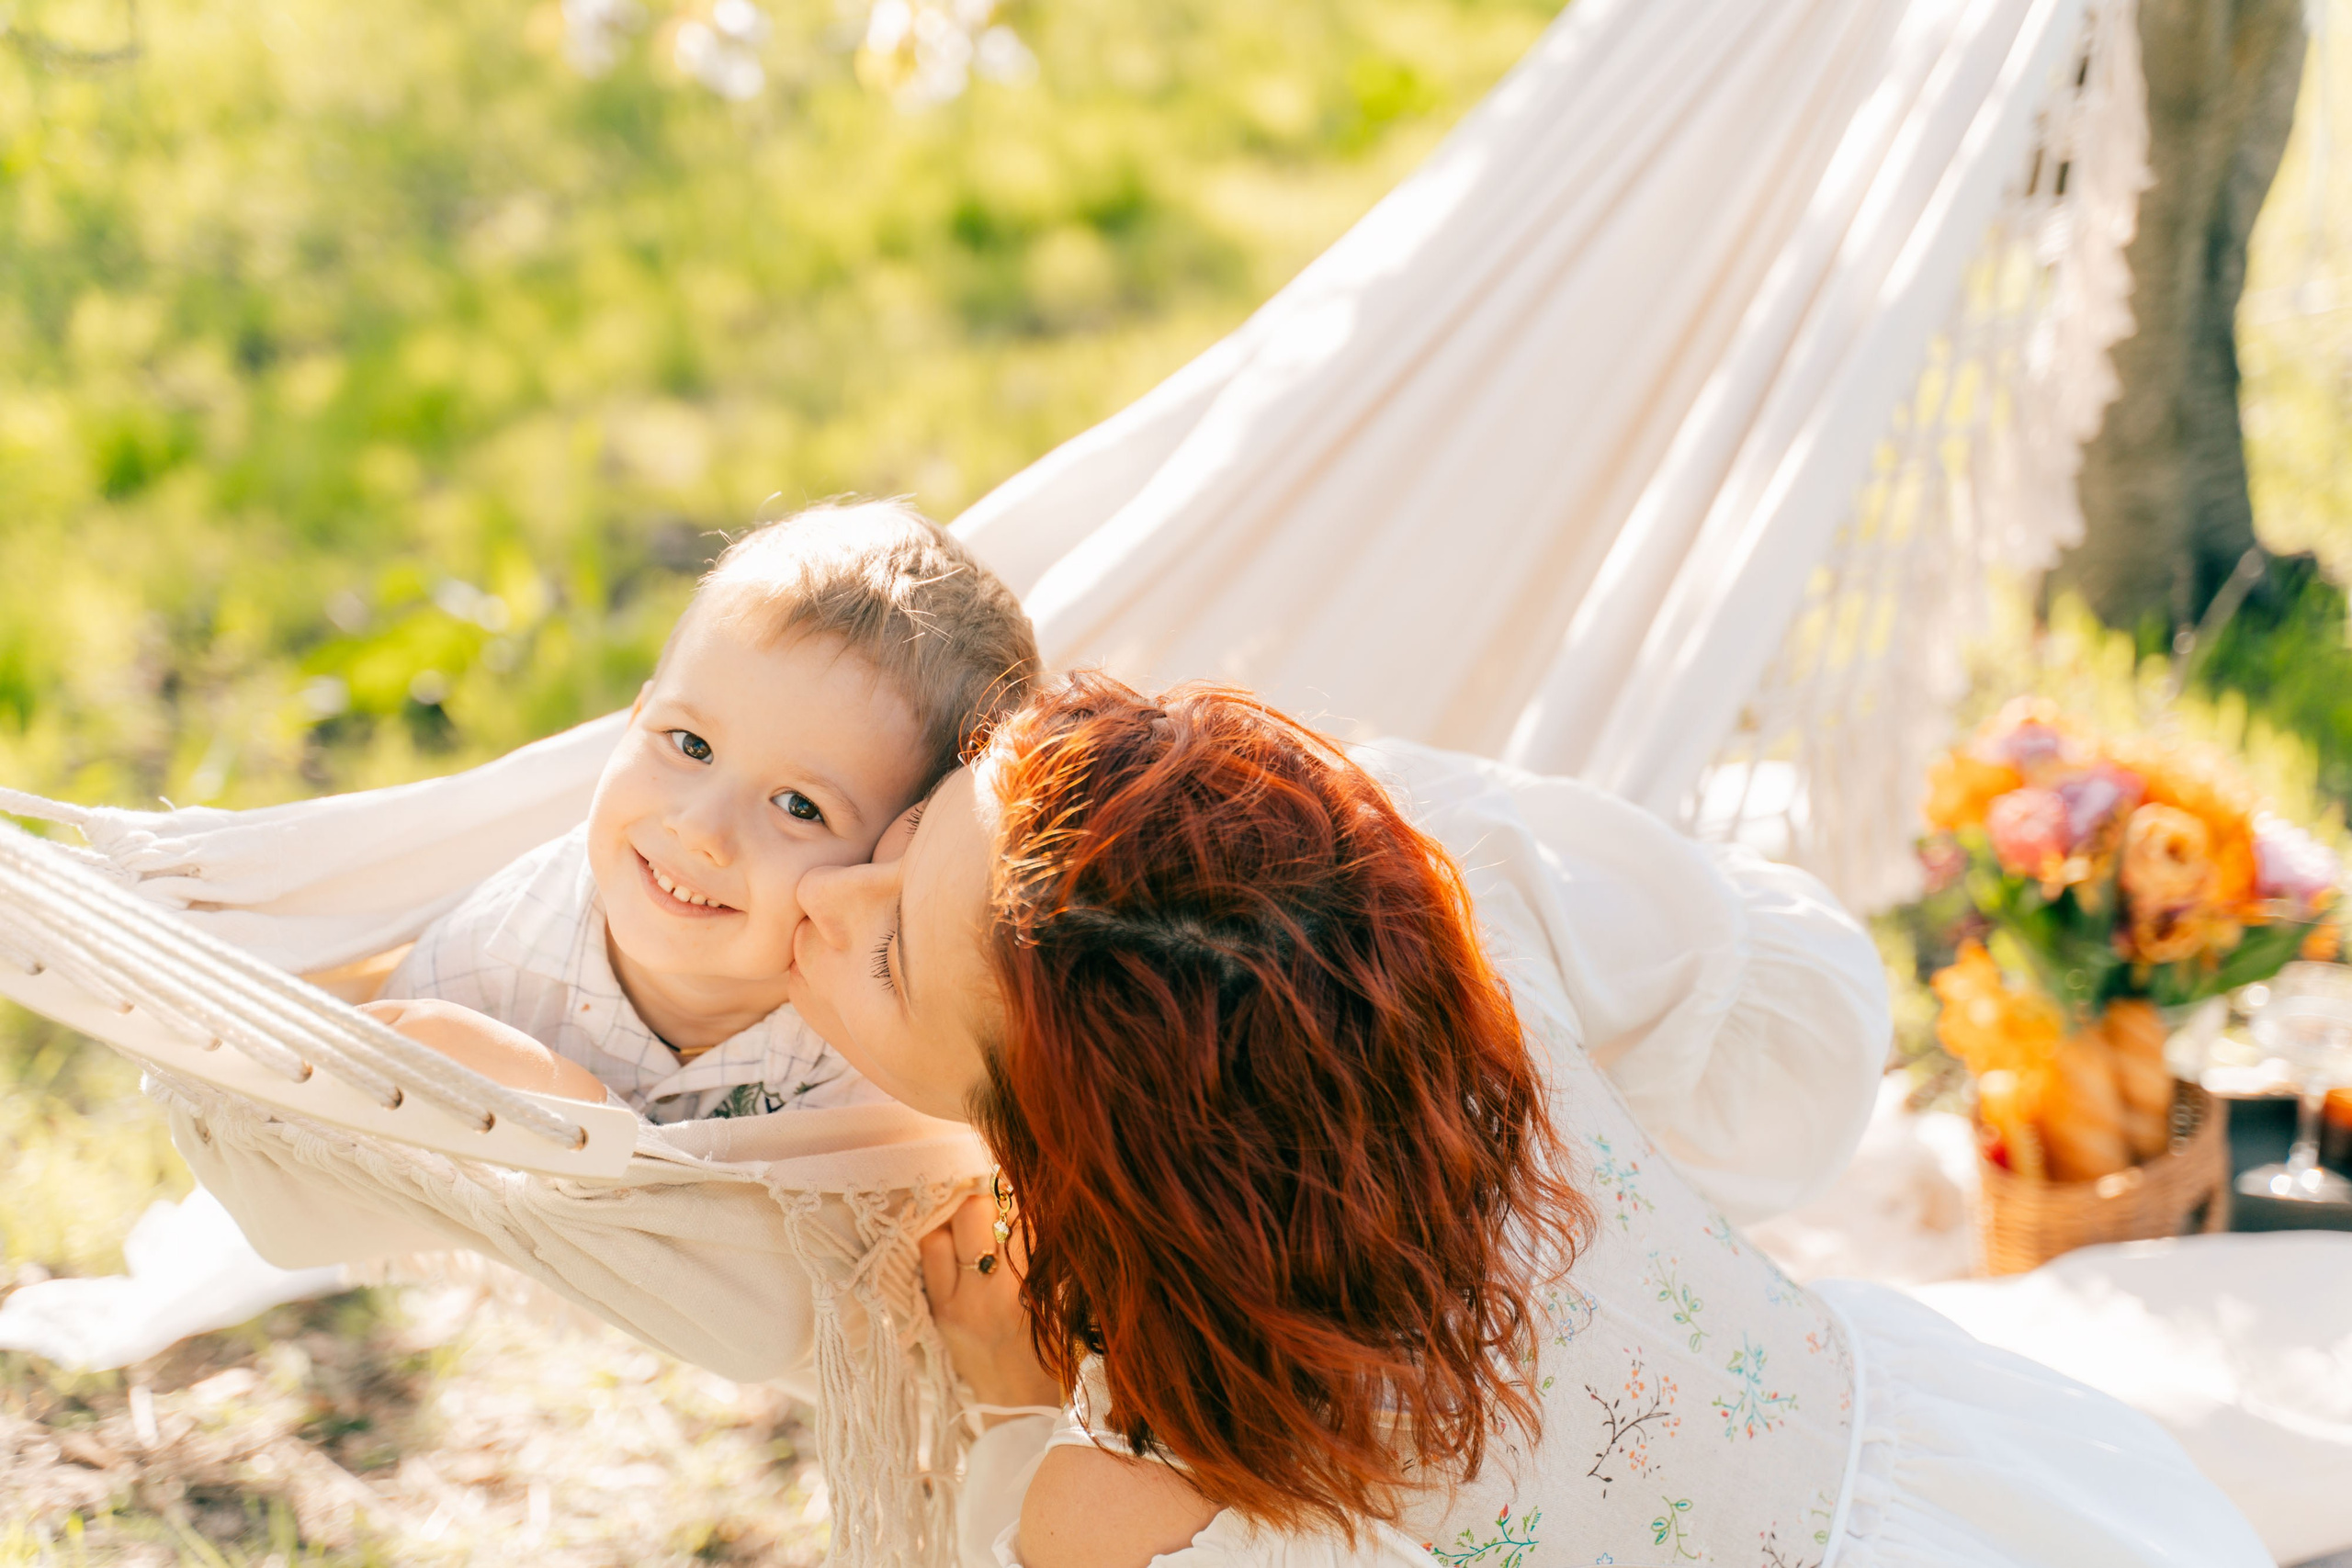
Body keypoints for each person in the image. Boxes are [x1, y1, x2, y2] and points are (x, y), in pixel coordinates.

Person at [771, 672, 2272, 1568]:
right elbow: (1798, 1001)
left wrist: (1000, 1389)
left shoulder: (1189, 1431)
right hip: (1953, 1494)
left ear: (1075, 1143)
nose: (822, 903)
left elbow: (1029, 1522)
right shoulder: (1464, 965)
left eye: (897, 933)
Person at [368, 501, 1041, 1122]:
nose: (699, 830)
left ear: (893, 864)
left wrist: (579, 1111)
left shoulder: (873, 1062)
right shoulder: (488, 958)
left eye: (798, 806)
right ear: (636, 715)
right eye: (691, 744)